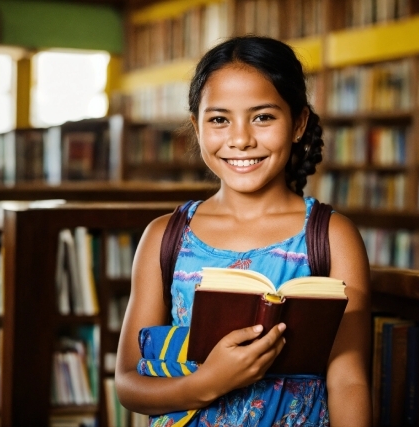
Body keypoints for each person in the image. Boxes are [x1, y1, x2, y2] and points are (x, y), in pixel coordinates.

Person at [115, 35, 372, 426]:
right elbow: (129, 383)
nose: (240, 139)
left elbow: (349, 381)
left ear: (299, 122)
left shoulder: (333, 237)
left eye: (263, 117)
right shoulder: (163, 237)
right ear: (197, 128)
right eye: (219, 119)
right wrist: (210, 381)